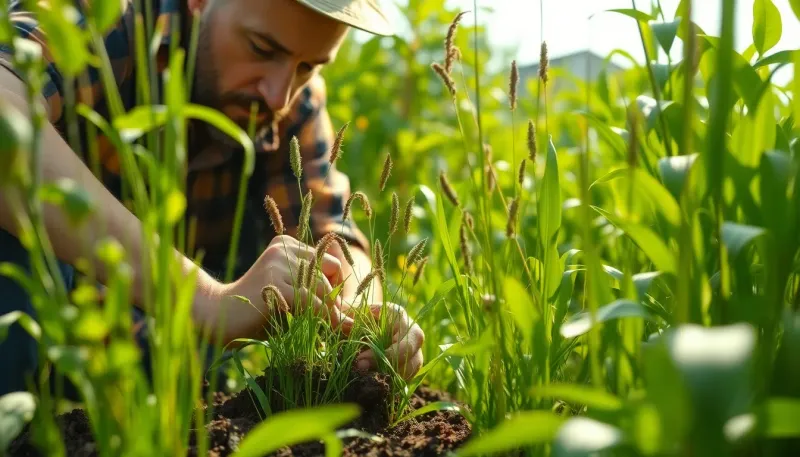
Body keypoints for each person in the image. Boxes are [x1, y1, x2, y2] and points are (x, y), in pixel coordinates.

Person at [0, 0, 424, 398]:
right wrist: (204, 300)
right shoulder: (100, 15)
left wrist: (363, 314)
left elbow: (330, 234)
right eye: (261, 47)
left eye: (308, 67)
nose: (278, 95)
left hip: (157, 369)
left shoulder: (293, 102)